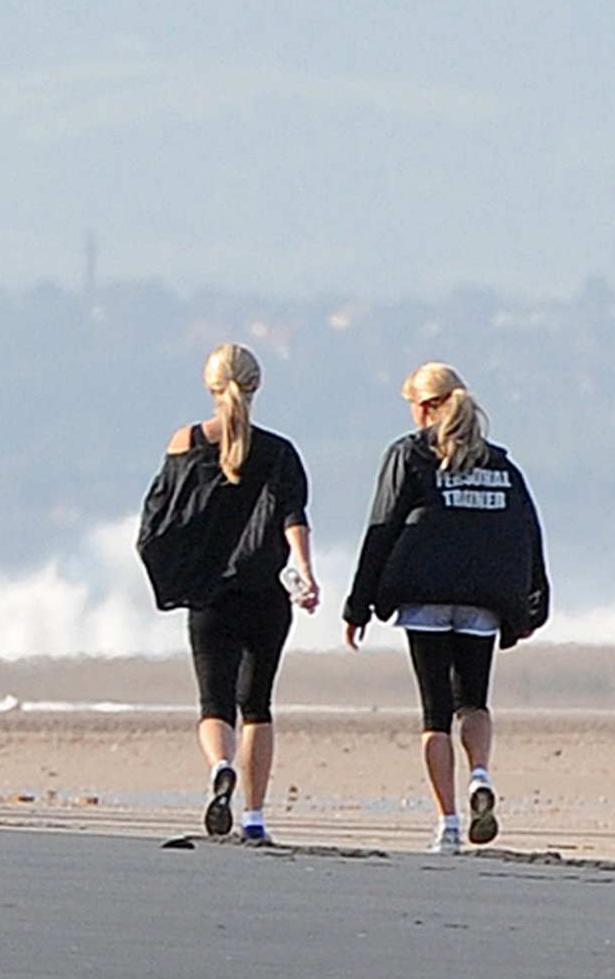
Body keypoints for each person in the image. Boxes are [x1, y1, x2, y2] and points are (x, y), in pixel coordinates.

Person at [341, 362, 551, 855]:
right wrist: (533, 600)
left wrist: (359, 604)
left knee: (435, 715)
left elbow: (383, 528)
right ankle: (480, 774)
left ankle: (448, 824)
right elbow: (528, 534)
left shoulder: (410, 455)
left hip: (426, 599)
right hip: (485, 600)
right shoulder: (500, 464)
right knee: (474, 700)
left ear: (426, 407)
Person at [136, 343, 319, 846]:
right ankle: (255, 819)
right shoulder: (279, 452)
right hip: (264, 598)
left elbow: (160, 519)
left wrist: (175, 574)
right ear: (256, 387)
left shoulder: (186, 441)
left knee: (214, 705)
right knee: (256, 706)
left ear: (211, 387)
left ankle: (220, 766)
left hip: (209, 598)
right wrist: (304, 571)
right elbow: (293, 518)